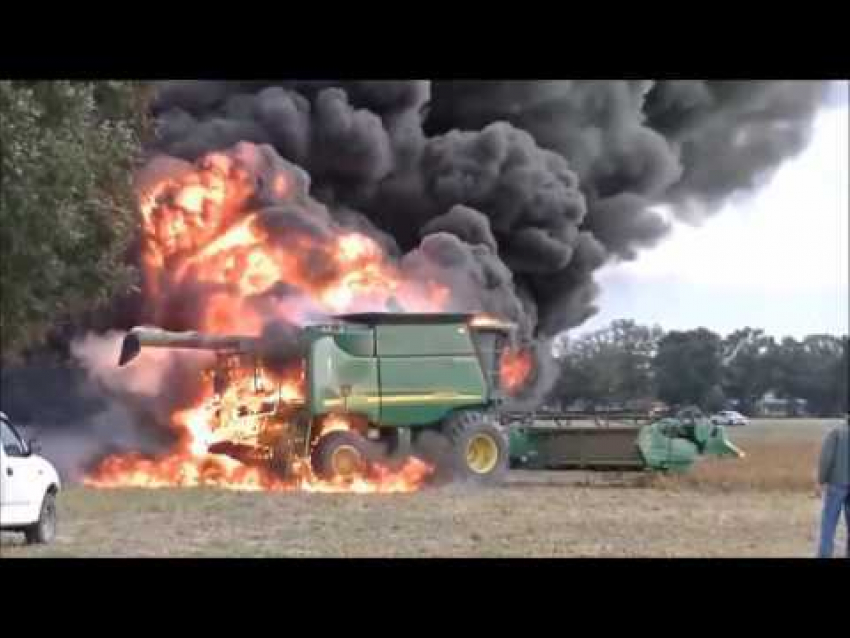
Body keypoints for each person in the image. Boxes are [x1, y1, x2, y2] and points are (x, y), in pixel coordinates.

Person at [816, 415, 849, 558]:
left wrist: (820, 480)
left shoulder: (836, 433)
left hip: (837, 483)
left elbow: (826, 458)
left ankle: (825, 554)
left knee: (829, 522)